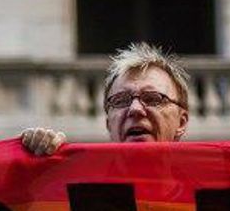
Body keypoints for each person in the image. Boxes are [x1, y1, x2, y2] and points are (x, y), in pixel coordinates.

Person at [20, 42, 190, 155]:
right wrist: (35, 163)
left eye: (152, 99)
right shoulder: (75, 182)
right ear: (109, 124)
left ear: (181, 122)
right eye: (121, 101)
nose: (135, 109)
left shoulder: (204, 187)